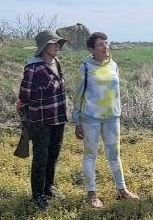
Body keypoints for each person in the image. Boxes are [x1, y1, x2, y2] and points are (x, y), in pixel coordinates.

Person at [72, 31, 139, 208]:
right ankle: (92, 194)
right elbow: (78, 95)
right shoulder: (85, 67)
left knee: (114, 156)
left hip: (112, 118)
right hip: (91, 119)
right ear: (91, 49)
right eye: (100, 44)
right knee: (90, 156)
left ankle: (122, 190)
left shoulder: (114, 66)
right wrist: (77, 121)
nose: (105, 47)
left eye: (106, 43)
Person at [18, 29, 68, 209]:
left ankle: (48, 187)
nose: (57, 47)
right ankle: (37, 194)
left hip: (58, 118)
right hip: (40, 120)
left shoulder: (57, 63)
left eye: (58, 44)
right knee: (41, 156)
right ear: (44, 47)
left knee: (53, 154)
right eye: (54, 44)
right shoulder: (33, 68)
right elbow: (24, 95)